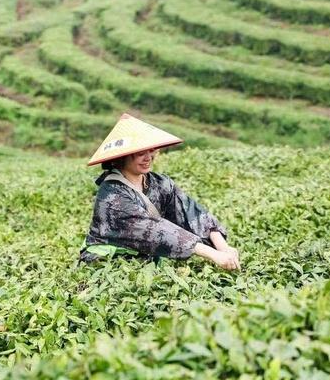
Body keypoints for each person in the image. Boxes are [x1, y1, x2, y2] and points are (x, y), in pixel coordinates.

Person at [79, 113, 240, 270]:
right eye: (140, 153)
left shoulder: (159, 183)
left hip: (140, 260)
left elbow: (191, 212)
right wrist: (213, 255)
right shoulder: (112, 195)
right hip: (106, 264)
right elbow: (155, 230)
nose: (148, 157)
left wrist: (223, 248)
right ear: (122, 157)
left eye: (150, 151)